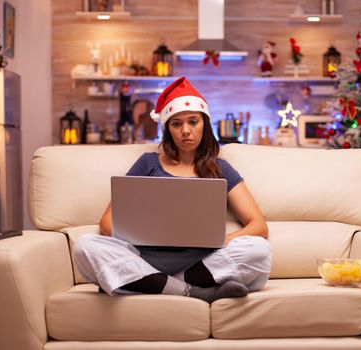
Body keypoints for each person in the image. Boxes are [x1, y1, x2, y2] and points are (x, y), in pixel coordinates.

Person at [73, 77, 271, 303]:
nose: (186, 130)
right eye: (176, 124)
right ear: (167, 128)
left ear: (204, 124)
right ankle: (193, 291)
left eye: (193, 121)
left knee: (258, 250)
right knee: (84, 246)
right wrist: (142, 237)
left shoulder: (220, 168)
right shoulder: (147, 164)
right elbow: (107, 222)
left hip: (202, 262)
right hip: (144, 257)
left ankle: (150, 283)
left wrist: (225, 239)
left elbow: (259, 225)